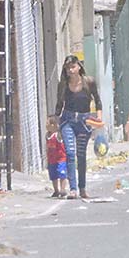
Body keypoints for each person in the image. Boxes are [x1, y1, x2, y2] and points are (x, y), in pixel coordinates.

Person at [55, 55, 103, 199]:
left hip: (84, 120)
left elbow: (98, 101)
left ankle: (82, 188)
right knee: (70, 153)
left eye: (73, 67)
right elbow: (59, 105)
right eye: (68, 68)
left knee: (81, 155)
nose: (71, 70)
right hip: (68, 120)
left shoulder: (89, 82)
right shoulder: (63, 84)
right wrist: (56, 124)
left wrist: (99, 117)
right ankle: (73, 189)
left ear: (79, 67)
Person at [45, 116, 69, 199]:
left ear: (53, 125)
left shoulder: (58, 135)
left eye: (47, 123)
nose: (46, 125)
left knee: (62, 174)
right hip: (52, 159)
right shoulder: (47, 135)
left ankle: (63, 189)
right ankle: (56, 190)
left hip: (61, 159)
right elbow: (47, 147)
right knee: (53, 175)